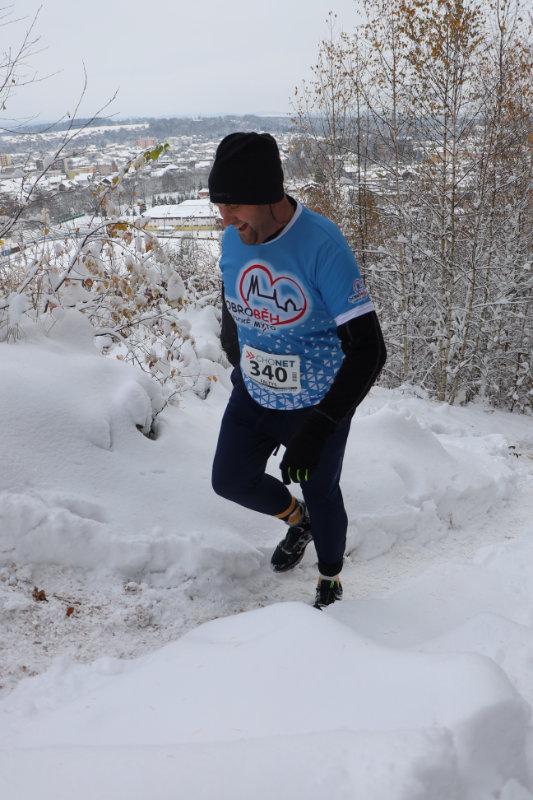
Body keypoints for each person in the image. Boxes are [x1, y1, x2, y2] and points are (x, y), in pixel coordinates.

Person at [209, 132, 386, 609]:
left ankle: (329, 578)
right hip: (254, 391)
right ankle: (296, 520)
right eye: (219, 206)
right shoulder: (233, 238)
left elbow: (370, 350)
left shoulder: (322, 246)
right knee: (229, 479)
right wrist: (236, 354)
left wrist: (321, 425)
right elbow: (232, 301)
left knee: (322, 491)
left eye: (233, 205)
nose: (224, 219)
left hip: (315, 403)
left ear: (268, 195)